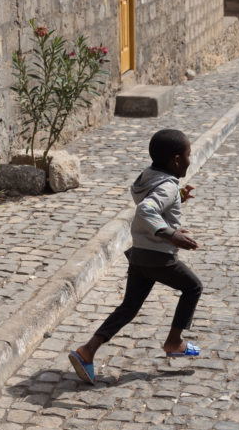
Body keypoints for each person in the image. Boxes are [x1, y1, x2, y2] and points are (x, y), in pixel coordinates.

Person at [68, 129, 203, 384]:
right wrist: (171, 234)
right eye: (188, 155)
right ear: (176, 160)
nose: (190, 160)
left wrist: (177, 201)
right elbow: (146, 208)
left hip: (140, 254)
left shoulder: (149, 176)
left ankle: (87, 351)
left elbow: (149, 199)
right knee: (193, 287)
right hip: (159, 257)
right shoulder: (167, 186)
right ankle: (174, 342)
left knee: (128, 308)